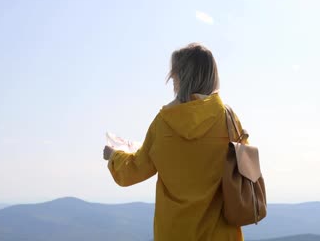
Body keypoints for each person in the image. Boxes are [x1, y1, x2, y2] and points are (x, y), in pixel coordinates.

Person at [103, 42, 247, 241]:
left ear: (181, 77)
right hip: (222, 234)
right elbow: (246, 169)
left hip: (174, 233)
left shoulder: (164, 123)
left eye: (174, 73)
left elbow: (133, 171)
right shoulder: (229, 120)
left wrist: (114, 154)